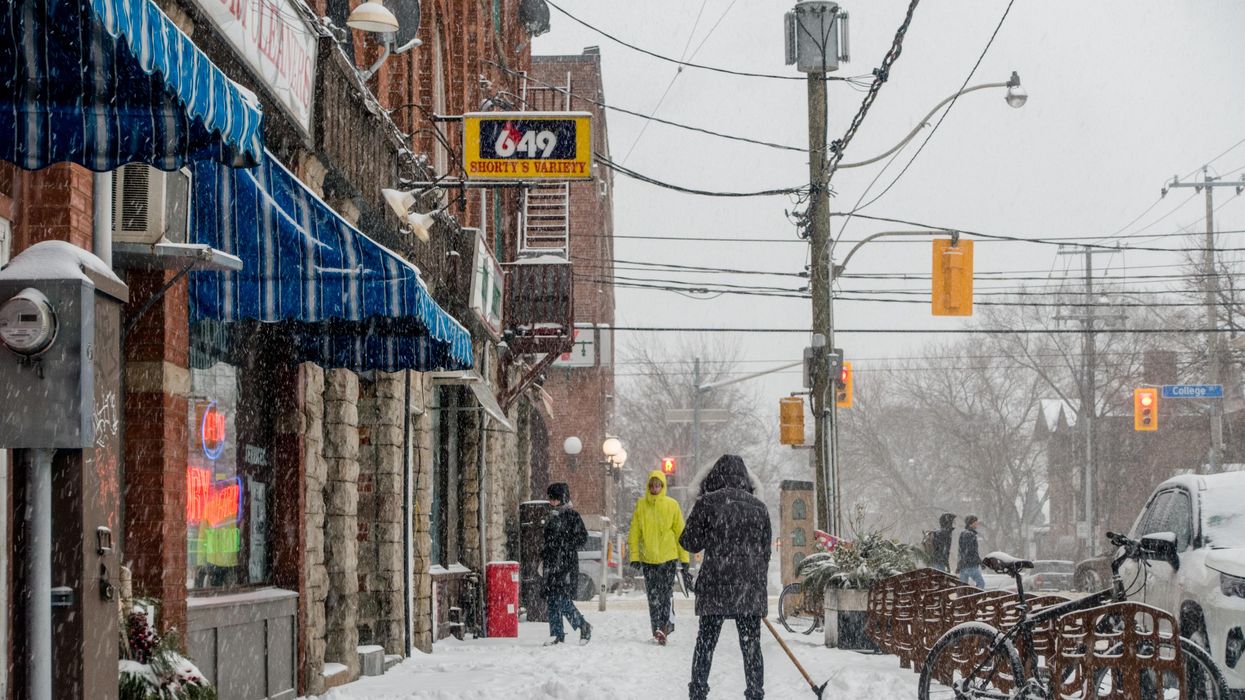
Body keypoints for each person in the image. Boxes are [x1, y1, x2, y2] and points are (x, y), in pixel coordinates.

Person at [680, 455, 771, 700]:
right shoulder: (759, 508)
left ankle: (698, 691)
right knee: (751, 646)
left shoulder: (708, 504)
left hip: (715, 585)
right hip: (749, 588)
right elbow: (765, 553)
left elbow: (689, 543)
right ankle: (755, 692)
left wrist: (698, 505)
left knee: (706, 643)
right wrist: (755, 584)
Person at [628, 469, 690, 645]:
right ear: (648, 486)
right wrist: (634, 556)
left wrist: (684, 560)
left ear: (663, 486)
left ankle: (664, 627)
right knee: (653, 597)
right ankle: (657, 628)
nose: (655, 487)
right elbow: (634, 533)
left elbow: (681, 534)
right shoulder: (641, 505)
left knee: (665, 595)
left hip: (668, 558)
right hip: (648, 559)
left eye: (658, 485)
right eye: (652, 485)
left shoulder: (672, 505)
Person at [541, 482, 592, 646]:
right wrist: (545, 553)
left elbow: (582, 538)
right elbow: (547, 541)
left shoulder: (572, 516)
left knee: (562, 599)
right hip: (551, 564)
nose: (551, 502)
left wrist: (564, 544)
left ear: (561, 499)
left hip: (565, 564)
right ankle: (556, 634)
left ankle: (582, 625)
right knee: (552, 599)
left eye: (554, 499)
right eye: (550, 499)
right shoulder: (551, 516)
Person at [957, 514, 985, 588]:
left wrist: (959, 565)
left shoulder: (963, 534)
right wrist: (980, 562)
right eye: (976, 522)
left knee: (962, 588)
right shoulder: (970, 535)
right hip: (971, 565)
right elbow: (972, 551)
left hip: (963, 566)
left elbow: (960, 551)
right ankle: (975, 599)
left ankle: (961, 599)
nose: (977, 524)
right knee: (981, 583)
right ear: (971, 523)